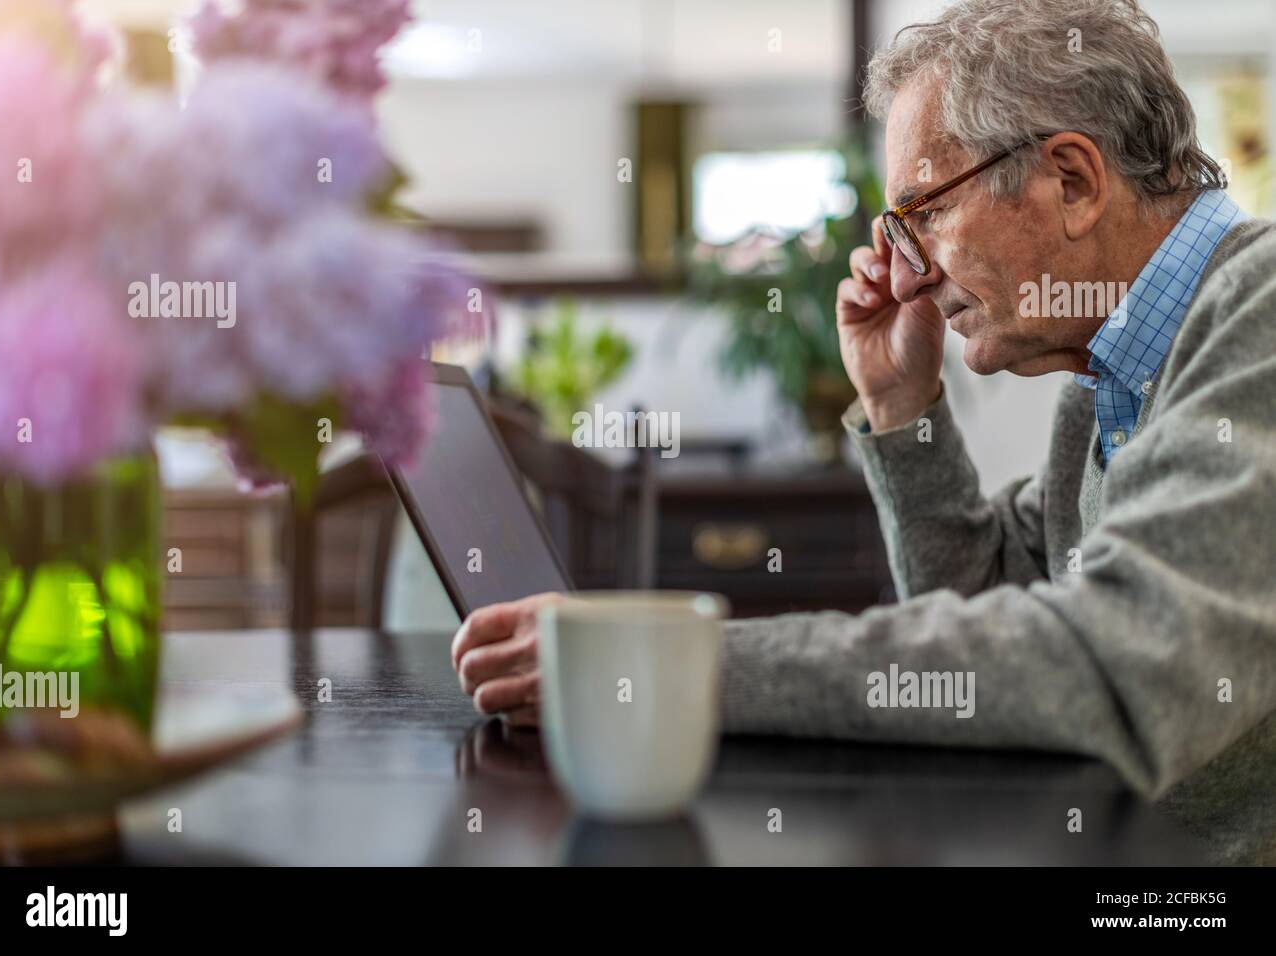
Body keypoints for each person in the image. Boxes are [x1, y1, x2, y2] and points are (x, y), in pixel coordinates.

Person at [450, 0, 1276, 863]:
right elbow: (986, 625)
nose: (907, 275)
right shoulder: (1110, 374)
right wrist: (902, 408)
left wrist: (669, 670)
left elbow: (1107, 664)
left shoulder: (1260, 312)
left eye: (924, 213)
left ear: (1071, 181)